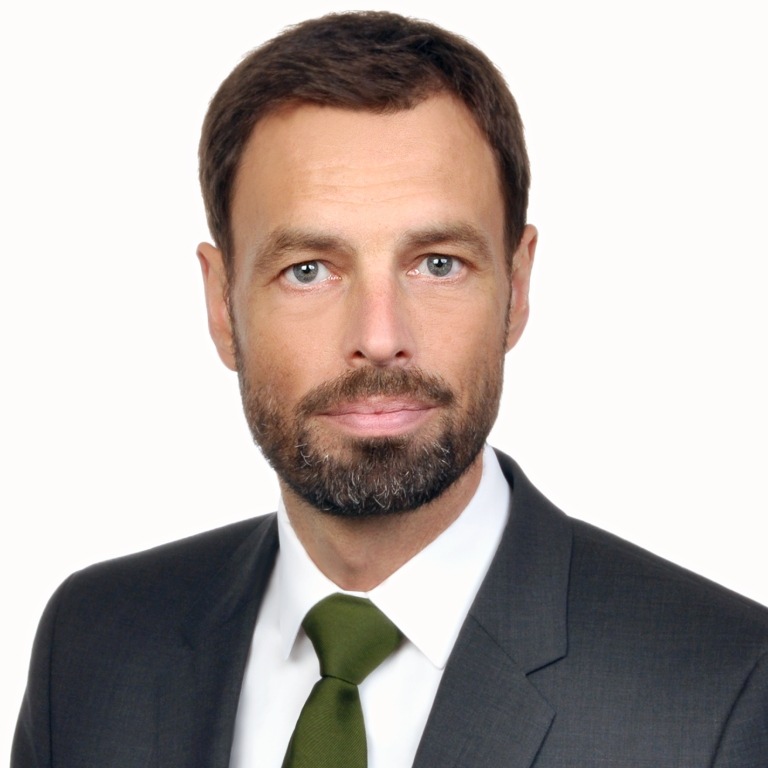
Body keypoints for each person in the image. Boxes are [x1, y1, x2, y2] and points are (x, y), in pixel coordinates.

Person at [12, 10, 768, 768]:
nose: (379, 336)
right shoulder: (90, 647)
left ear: (516, 287)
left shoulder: (726, 689)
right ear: (221, 304)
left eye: (438, 264)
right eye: (308, 270)